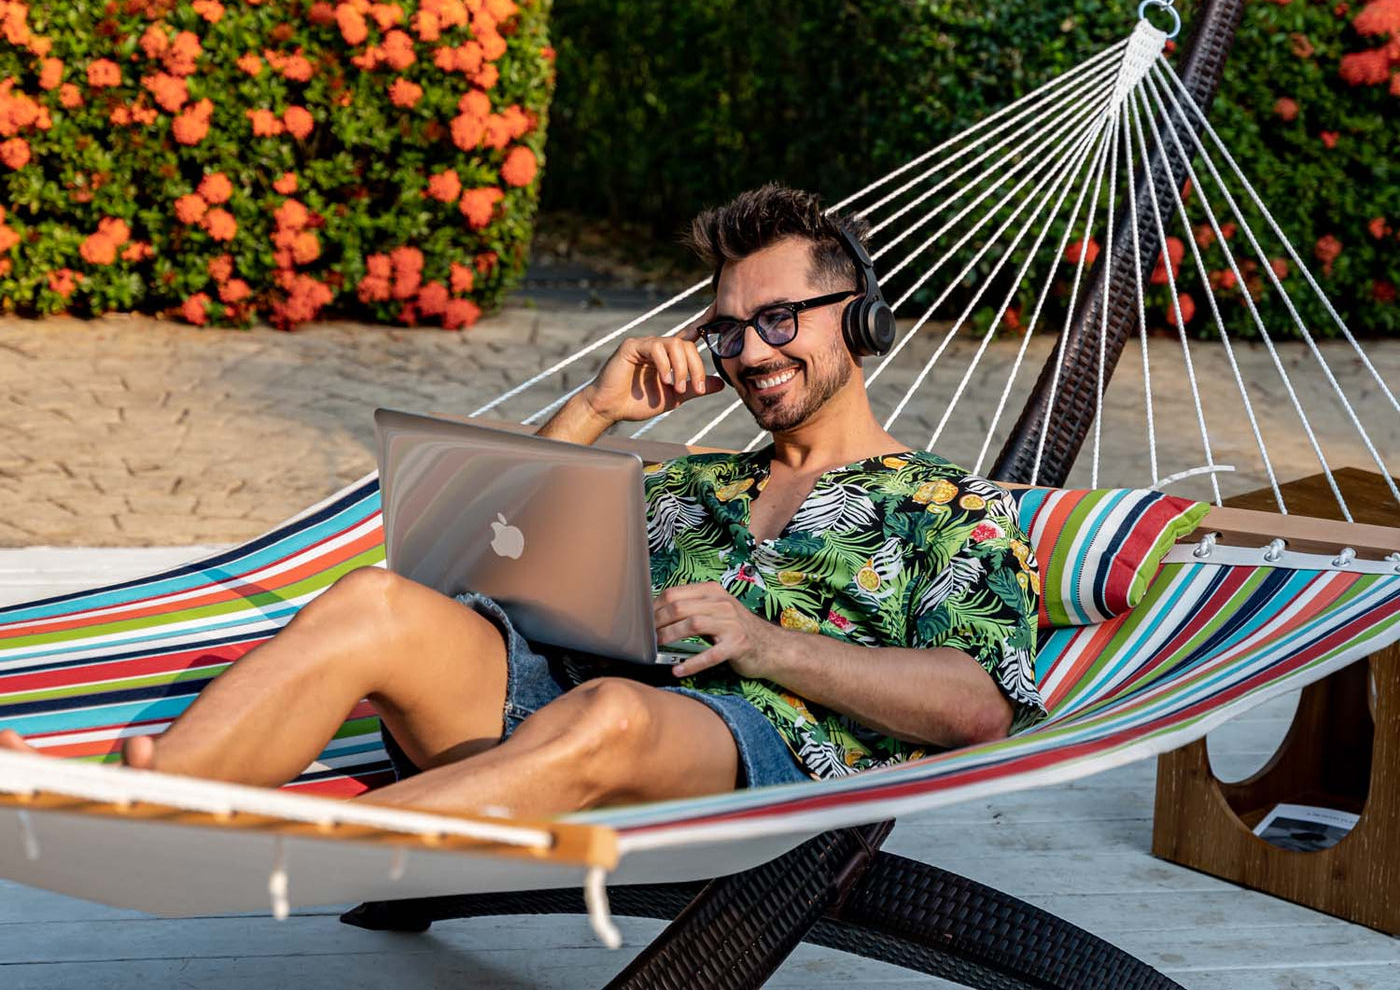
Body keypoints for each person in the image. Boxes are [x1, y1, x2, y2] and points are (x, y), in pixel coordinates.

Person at [0, 185, 1046, 813]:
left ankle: (318, 845)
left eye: (779, 320)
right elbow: (457, 555)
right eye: (727, 330)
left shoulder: (946, 502)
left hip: (760, 744)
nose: (748, 353)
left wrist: (766, 644)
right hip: (557, 700)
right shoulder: (693, 478)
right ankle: (146, 796)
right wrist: (594, 410)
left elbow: (978, 703)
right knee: (377, 602)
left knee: (614, 709)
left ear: (855, 320)